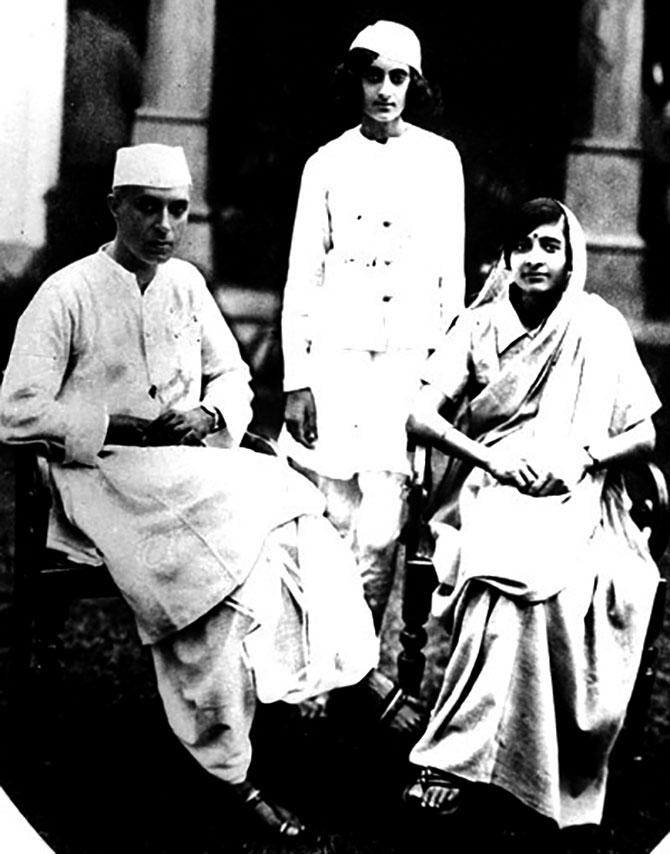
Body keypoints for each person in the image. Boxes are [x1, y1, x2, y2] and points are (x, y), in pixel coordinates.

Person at [0, 143, 378, 841]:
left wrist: (209, 414)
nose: (166, 226)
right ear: (116, 207)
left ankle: (340, 674)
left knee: (286, 517)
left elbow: (232, 376)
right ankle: (237, 763)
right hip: (105, 480)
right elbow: (16, 410)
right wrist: (111, 423)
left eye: (177, 209)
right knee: (259, 520)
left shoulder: (185, 285)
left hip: (193, 471)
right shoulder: (68, 291)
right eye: (149, 208)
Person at [402, 198, 661, 829]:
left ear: (570, 255)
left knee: (541, 593)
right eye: (523, 246)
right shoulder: (478, 325)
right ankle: (476, 760)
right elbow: (421, 415)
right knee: (506, 569)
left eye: (550, 245)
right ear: (506, 258)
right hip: (493, 488)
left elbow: (644, 434)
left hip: (580, 491)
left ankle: (492, 764)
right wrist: (486, 462)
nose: (536, 258)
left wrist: (583, 458)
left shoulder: (597, 325)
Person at [281, 20, 465, 633]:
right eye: (373, 76)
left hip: (405, 362)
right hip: (337, 356)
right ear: (354, 80)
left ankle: (356, 664)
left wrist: (440, 379)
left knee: (384, 521)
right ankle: (332, 668)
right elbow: (302, 276)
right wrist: (296, 379)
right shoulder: (326, 163)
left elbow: (451, 280)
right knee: (333, 508)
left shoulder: (440, 160)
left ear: (415, 84)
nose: (385, 90)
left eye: (398, 77)